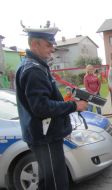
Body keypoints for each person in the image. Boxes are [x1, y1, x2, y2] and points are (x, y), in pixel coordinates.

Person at [15, 26, 88, 190]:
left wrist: (69, 102)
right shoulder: (33, 70)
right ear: (35, 44)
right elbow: (41, 107)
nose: (52, 49)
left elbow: (45, 99)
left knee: (47, 181)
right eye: (48, 45)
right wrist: (74, 105)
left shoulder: (34, 66)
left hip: (43, 135)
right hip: (45, 137)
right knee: (56, 184)